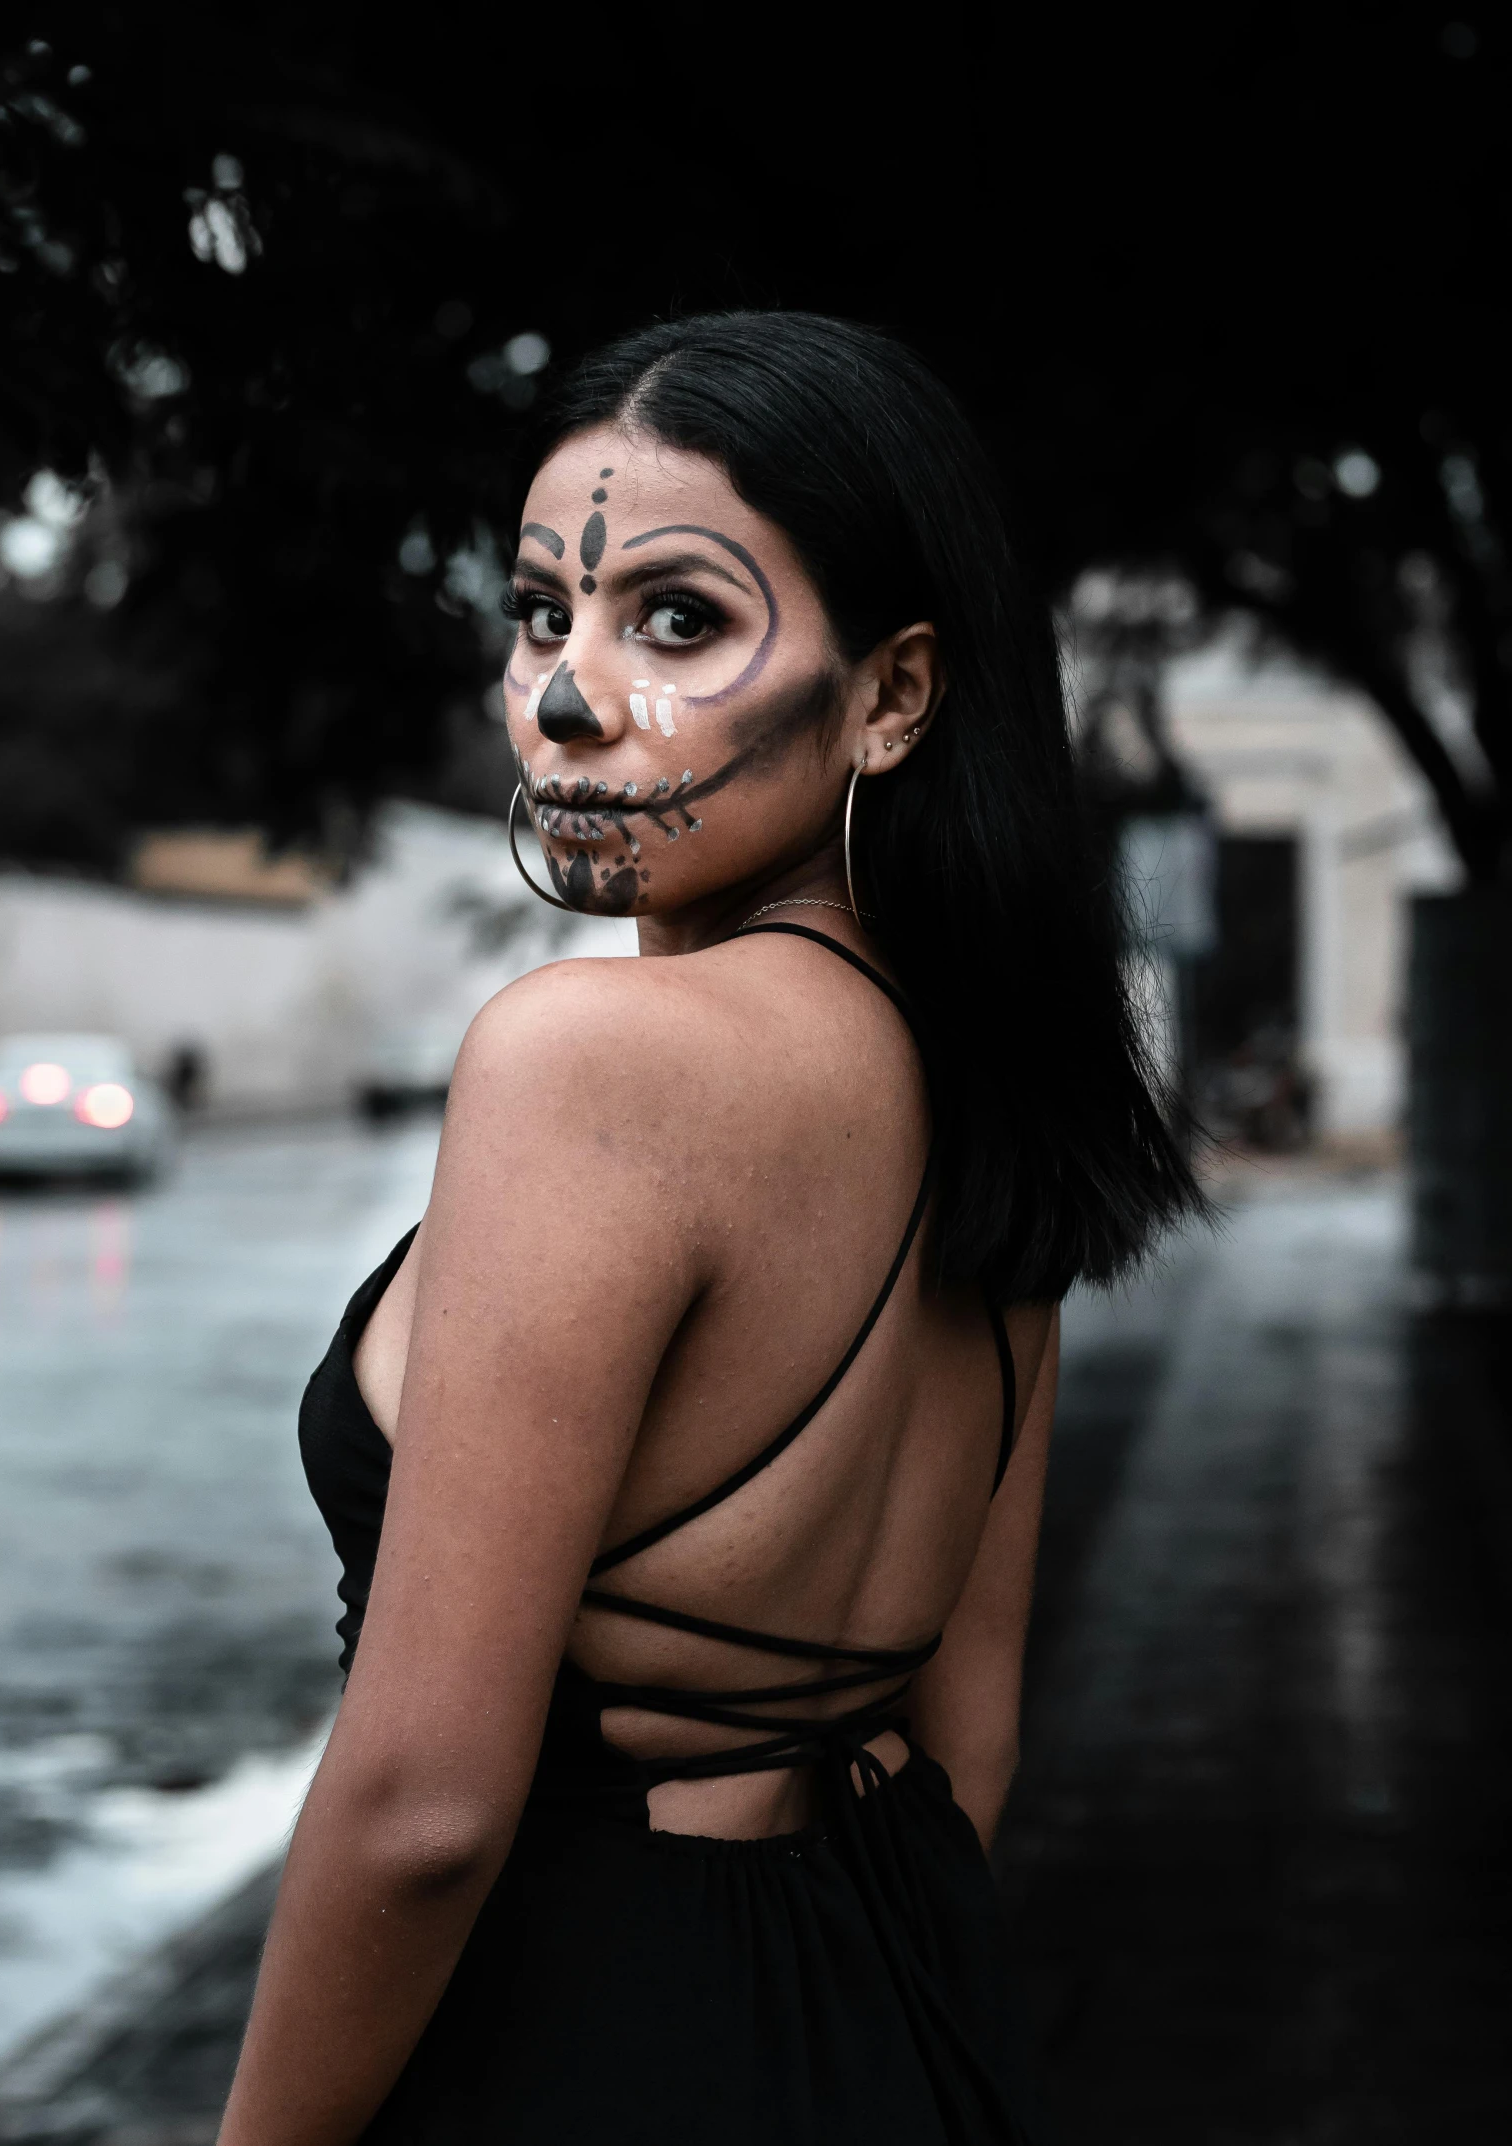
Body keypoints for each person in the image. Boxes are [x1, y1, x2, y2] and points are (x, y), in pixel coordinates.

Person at [219, 312, 1204, 2143]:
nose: (572, 695)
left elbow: (426, 1804)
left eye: (676, 619)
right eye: (541, 614)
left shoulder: (587, 1059)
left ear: (895, 693)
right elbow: (963, 1746)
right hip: (893, 2007)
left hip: (579, 2035)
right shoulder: (1001, 1081)